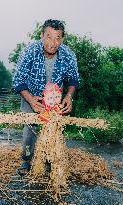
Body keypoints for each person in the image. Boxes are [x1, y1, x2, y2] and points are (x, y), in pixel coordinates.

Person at [13, 19, 80, 176]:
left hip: (54, 98)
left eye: (57, 38)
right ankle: (27, 160)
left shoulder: (68, 55)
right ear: (42, 35)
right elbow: (18, 80)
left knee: (55, 128)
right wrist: (30, 100)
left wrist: (69, 96)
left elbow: (73, 79)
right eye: (49, 37)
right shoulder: (29, 51)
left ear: (62, 39)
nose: (53, 42)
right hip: (31, 94)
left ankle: (51, 161)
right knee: (30, 127)